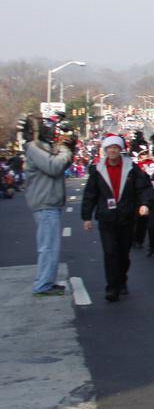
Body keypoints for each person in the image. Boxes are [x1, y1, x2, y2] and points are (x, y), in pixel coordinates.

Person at [81, 134, 154, 302]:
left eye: (116, 147)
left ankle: (122, 279)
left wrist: (145, 204)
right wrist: (86, 217)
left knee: (123, 253)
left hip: (126, 217)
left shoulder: (131, 168)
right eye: (110, 148)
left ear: (120, 150)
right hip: (106, 218)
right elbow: (90, 194)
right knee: (110, 252)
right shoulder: (97, 169)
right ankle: (112, 287)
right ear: (105, 150)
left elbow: (144, 188)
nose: (113, 150)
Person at [20, 114, 75, 296]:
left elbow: (61, 162)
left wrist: (68, 148)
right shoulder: (34, 147)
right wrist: (65, 150)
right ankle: (43, 285)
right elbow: (54, 166)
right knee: (48, 246)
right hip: (45, 203)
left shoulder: (41, 147)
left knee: (49, 245)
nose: (49, 128)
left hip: (49, 202)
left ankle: (46, 281)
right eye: (44, 125)